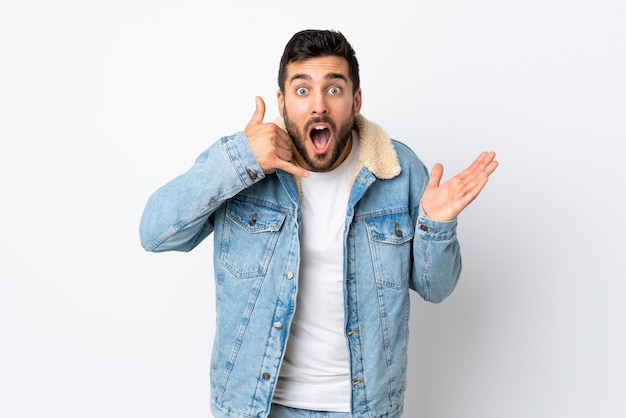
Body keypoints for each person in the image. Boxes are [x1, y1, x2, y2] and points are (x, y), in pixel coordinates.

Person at [139, 29, 498, 418]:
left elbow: (437, 288)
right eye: (302, 90)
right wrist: (240, 159)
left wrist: (437, 225)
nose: (318, 107)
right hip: (257, 408)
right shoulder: (242, 166)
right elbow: (155, 234)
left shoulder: (400, 172)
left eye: (334, 89)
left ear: (356, 100)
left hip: (363, 409)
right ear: (282, 101)